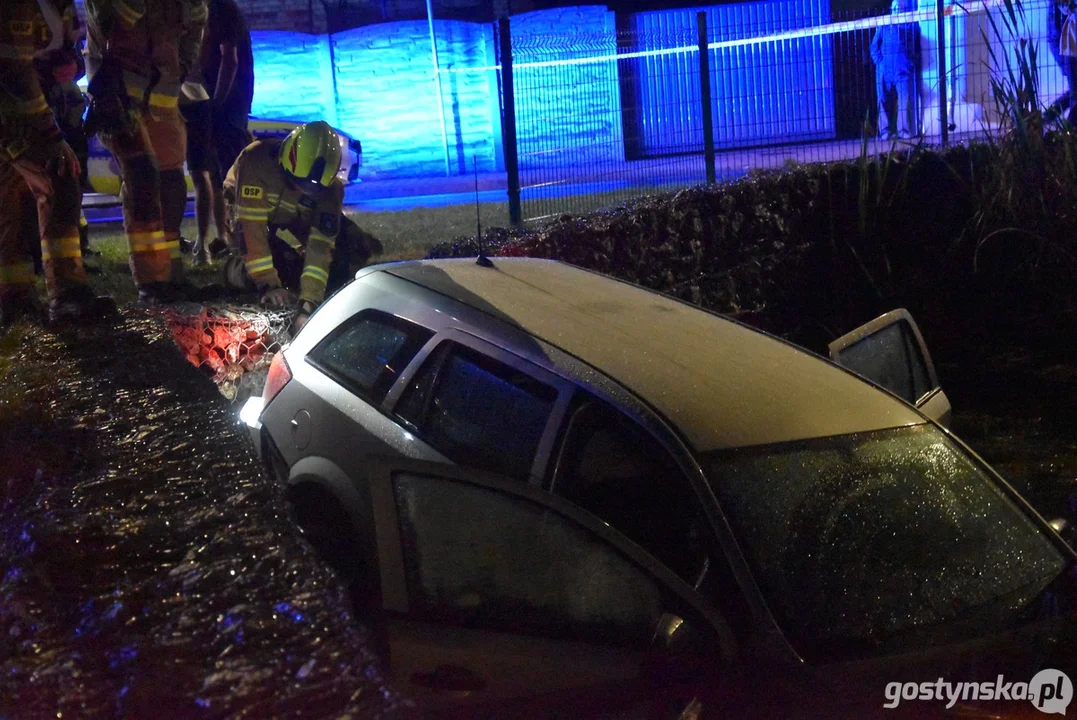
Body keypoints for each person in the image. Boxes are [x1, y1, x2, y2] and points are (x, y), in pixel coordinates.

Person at [83, 0, 208, 305]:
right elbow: (112, 23)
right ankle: (150, 282)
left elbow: (195, 26)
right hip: (119, 95)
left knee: (172, 184)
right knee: (142, 180)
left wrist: (178, 71)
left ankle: (172, 272)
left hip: (164, 96)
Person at [0, 0, 114, 326]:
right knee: (60, 176)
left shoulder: (55, 5)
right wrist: (50, 133)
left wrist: (67, 64)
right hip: (13, 113)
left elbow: (62, 52)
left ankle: (16, 299)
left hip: (24, 109)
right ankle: (67, 294)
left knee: (11, 199)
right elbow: (13, 69)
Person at [222, 121, 381, 329]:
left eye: (311, 189)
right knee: (275, 263)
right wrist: (268, 284)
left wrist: (309, 302)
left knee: (351, 245)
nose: (304, 190)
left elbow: (321, 245)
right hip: (247, 209)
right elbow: (252, 232)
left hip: (293, 211)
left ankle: (297, 263)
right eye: (298, 183)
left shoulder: (330, 190)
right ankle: (234, 268)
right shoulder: (256, 162)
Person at [202, 0, 254, 212]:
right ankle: (228, 234)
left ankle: (242, 229)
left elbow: (229, 60)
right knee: (219, 172)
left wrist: (216, 102)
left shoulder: (222, 8)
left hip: (228, 104)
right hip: (222, 103)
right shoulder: (213, 8)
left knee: (232, 171)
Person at [179, 41, 228, 265]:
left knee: (199, 173)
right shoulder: (195, 17)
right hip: (197, 97)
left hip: (181, 98)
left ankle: (202, 244)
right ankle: (210, 241)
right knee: (206, 173)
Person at [871, 0, 921, 140]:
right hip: (884, 70)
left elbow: (917, 47)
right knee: (882, 100)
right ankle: (885, 132)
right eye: (894, 8)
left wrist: (910, 63)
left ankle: (903, 131)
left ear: (904, 10)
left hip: (902, 70)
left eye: (899, 8)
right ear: (891, 9)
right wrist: (880, 63)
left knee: (904, 101)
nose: (896, 10)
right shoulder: (884, 24)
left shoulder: (911, 25)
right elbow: (874, 47)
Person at [1047, 0, 1077, 125]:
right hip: (1071, 48)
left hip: (1069, 46)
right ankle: (1069, 135)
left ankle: (1044, 118)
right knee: (1075, 96)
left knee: (1074, 93)